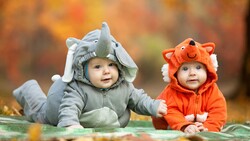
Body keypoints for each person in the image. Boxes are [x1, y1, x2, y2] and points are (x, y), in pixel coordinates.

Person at [13, 22, 167, 129]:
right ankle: (28, 89)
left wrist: (154, 106)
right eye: (98, 66)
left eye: (111, 65)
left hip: (102, 121)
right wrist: (70, 123)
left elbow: (139, 100)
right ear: (85, 71)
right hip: (55, 112)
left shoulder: (124, 87)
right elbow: (69, 106)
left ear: (119, 65)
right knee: (37, 111)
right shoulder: (78, 88)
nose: (106, 71)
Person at [152, 38, 227, 134]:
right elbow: (171, 111)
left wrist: (209, 127)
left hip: (203, 125)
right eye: (185, 68)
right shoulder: (171, 92)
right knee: (162, 110)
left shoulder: (213, 90)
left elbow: (219, 111)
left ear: (208, 70)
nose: (192, 73)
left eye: (198, 67)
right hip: (169, 127)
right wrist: (185, 126)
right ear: (175, 73)